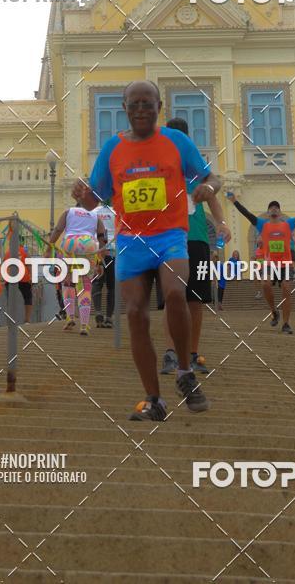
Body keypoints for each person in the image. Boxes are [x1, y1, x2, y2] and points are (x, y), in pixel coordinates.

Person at [72, 80, 221, 421]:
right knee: (136, 312)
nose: (141, 109)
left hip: (170, 236)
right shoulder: (112, 149)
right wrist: (81, 194)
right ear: (124, 108)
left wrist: (208, 189)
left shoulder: (176, 141)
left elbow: (212, 178)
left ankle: (185, 372)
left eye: (147, 103)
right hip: (131, 241)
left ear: (159, 108)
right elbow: (94, 198)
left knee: (176, 293)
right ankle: (154, 399)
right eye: (134, 103)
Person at [160, 117, 231, 376]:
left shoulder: (196, 169)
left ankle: (191, 354)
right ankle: (171, 353)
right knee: (172, 296)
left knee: (196, 299)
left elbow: (212, 198)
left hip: (197, 239)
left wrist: (222, 223)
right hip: (169, 240)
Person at [225, 193, 295, 334]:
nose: (274, 209)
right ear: (268, 213)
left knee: (286, 289)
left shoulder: (288, 224)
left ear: (280, 213)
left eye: (276, 207)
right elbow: (247, 214)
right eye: (271, 207)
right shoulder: (262, 225)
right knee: (265, 284)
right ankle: (274, 311)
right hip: (270, 264)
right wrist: (234, 202)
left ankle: (286, 324)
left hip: (286, 264)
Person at [49, 203, 106, 335]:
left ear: (77, 205)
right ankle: (84, 325)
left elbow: (57, 230)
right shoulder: (95, 215)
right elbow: (102, 238)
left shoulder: (68, 211)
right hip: (89, 245)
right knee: (85, 286)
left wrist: (49, 247)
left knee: (67, 282)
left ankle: (70, 317)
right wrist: (100, 262)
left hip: (70, 243)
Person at [91, 201, 116, 328]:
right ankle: (109, 318)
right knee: (112, 286)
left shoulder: (93, 212)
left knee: (97, 282)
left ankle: (98, 312)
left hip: (97, 250)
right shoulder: (115, 212)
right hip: (113, 250)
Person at [4, 235, 33, 324]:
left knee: (11, 300)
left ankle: (11, 320)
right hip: (24, 277)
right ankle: (27, 320)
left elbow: (4, 266)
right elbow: (29, 264)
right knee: (27, 297)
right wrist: (31, 276)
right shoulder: (25, 251)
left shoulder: (8, 252)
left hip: (10, 278)